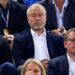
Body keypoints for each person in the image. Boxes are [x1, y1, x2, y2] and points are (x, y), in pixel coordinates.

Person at [13, 3, 66, 68]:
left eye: (40, 15)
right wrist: (38, 65)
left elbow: (63, 59)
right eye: (33, 15)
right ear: (28, 19)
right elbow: (19, 62)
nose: (37, 18)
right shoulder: (19, 39)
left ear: (46, 18)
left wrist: (51, 64)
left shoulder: (57, 39)